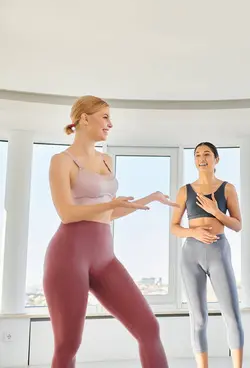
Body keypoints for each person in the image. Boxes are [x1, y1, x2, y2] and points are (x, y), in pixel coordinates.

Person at [44, 95, 177, 368]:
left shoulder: (106, 160)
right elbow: (67, 213)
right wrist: (109, 204)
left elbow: (109, 212)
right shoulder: (62, 161)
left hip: (105, 258)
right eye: (105, 116)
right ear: (84, 118)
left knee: (148, 328)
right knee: (67, 344)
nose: (110, 123)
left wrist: (146, 199)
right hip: (68, 258)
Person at [170, 142, 244, 368]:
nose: (202, 158)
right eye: (198, 155)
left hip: (218, 251)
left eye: (207, 154)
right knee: (199, 318)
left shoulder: (227, 188)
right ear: (194, 160)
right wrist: (193, 232)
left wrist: (216, 212)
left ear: (216, 160)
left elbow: (238, 225)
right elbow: (174, 226)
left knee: (231, 315)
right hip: (190, 253)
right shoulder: (185, 191)